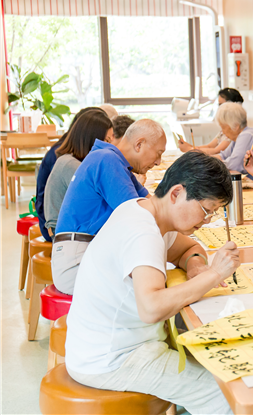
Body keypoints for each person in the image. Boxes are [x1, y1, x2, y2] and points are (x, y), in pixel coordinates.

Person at [65, 151, 238, 415]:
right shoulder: (143, 232)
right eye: (206, 209)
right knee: (228, 394)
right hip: (113, 358)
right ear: (177, 193)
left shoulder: (145, 212)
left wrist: (196, 266)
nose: (206, 220)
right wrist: (213, 275)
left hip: (109, 345)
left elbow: (188, 249)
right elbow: (151, 307)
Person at [52, 119, 167, 295]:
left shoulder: (119, 164)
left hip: (86, 253)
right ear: (139, 144)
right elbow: (141, 217)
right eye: (158, 153)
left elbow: (154, 207)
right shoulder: (107, 160)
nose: (159, 161)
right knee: (151, 289)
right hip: (75, 263)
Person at [35, 107, 107, 241]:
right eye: (107, 139)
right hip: (56, 228)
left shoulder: (71, 151)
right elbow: (95, 199)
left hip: (60, 221)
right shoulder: (68, 161)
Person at [213, 101, 253, 183]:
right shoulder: (239, 136)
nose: (222, 132)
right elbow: (223, 155)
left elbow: (234, 165)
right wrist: (204, 160)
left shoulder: (247, 135)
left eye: (223, 127)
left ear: (236, 126)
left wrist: (211, 163)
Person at [177, 88, 244, 155]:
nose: (219, 108)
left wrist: (189, 150)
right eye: (218, 105)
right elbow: (209, 146)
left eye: (221, 104)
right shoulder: (224, 130)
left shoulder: (233, 132)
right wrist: (190, 146)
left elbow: (215, 151)